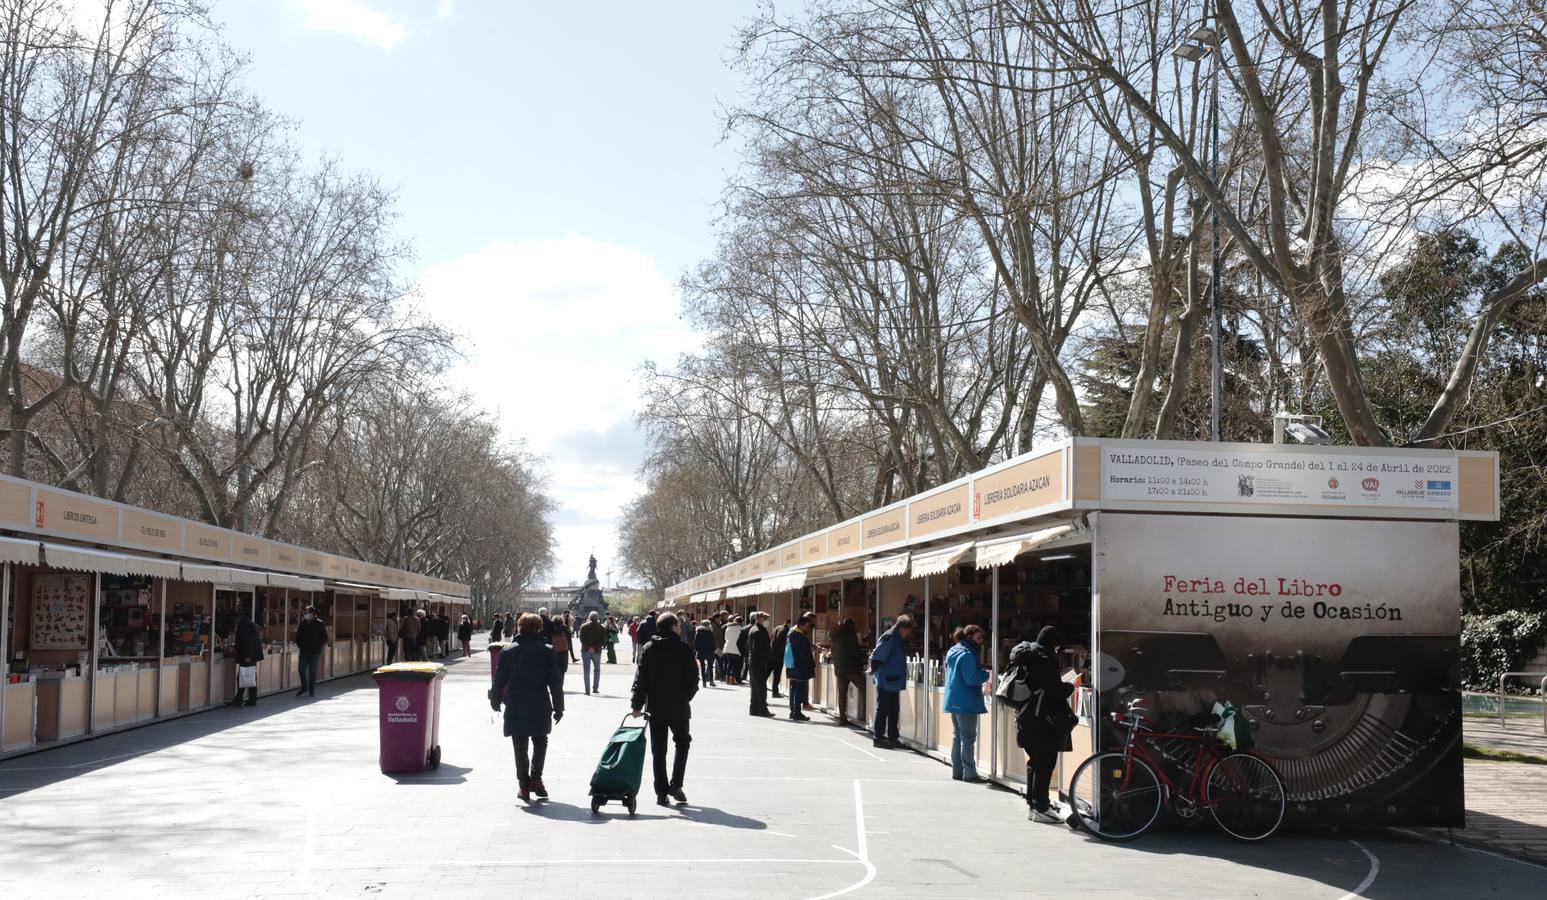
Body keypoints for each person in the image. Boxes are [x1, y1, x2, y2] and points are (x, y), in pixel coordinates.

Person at [491, 613, 565, 803]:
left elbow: (499, 680)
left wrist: (495, 701)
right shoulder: (547, 651)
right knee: (540, 741)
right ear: (539, 628)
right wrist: (559, 707)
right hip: (539, 702)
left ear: (519, 627)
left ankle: (523, 786)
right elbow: (555, 683)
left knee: (520, 745)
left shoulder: (508, 651)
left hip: (516, 702)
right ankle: (537, 778)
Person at [629, 612, 699, 806]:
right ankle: (676, 784)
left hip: (656, 707)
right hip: (678, 706)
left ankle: (661, 791)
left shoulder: (649, 648)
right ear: (674, 627)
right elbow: (694, 679)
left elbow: (640, 679)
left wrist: (637, 704)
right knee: (682, 742)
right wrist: (686, 696)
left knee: (658, 750)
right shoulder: (684, 649)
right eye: (678, 625)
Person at [1013, 626, 1075, 823]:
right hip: (1041, 719)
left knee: (1035, 762)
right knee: (1045, 763)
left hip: (1027, 717)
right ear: (1052, 645)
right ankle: (1041, 806)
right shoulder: (1044, 660)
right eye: (1057, 647)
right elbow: (1056, 690)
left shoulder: (1029, 656)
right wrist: (1071, 686)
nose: (1057, 651)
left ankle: (1033, 806)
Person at [944, 625, 991, 783]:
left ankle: (957, 771)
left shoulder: (953, 651)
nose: (981, 641)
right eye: (979, 638)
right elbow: (971, 678)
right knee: (968, 737)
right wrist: (986, 674)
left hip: (954, 699)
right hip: (966, 701)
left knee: (958, 736)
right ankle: (969, 772)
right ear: (970, 637)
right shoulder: (968, 655)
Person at [870, 615, 912, 748]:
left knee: (894, 710)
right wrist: (872, 669)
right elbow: (877, 655)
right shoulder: (890, 637)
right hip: (886, 679)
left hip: (893, 680)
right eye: (907, 631)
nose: (908, 634)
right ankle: (878, 738)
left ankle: (893, 737)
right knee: (883, 709)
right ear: (902, 628)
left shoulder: (897, 638)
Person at [828, 618, 865, 727]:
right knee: (865, 688)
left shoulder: (834, 635)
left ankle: (842, 718)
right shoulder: (850, 634)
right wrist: (863, 655)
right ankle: (866, 715)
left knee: (842, 694)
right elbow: (855, 651)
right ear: (851, 626)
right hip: (851, 667)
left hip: (839, 668)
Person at [785, 614, 815, 721]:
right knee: (799, 690)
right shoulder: (800, 636)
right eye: (807, 626)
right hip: (800, 667)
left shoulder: (791, 633)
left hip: (792, 666)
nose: (809, 628)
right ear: (801, 625)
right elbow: (804, 655)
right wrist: (812, 664)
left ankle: (793, 711)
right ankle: (796, 712)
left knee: (794, 689)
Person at [229, 612, 263, 707]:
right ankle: (247, 699)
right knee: (248, 676)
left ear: (238, 618)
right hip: (251, 655)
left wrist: (247, 655)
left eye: (235, 619)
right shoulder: (249, 624)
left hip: (248, 656)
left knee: (243, 676)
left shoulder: (244, 625)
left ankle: (241, 699)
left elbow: (248, 641)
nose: (235, 621)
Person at [294, 606, 328, 697]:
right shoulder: (303, 623)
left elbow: (324, 637)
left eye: (307, 612)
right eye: (305, 612)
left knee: (312, 671)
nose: (306, 614)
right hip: (304, 651)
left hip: (315, 651)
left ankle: (311, 689)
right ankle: (304, 687)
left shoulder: (319, 623)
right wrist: (299, 644)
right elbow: (298, 636)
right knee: (301, 668)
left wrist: (318, 645)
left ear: (313, 613)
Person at [746, 611, 774, 717]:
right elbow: (757, 649)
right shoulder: (758, 630)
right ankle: (762, 709)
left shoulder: (754, 629)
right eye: (764, 618)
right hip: (758, 662)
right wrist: (765, 658)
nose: (767, 620)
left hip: (754, 661)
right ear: (758, 619)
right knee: (761, 687)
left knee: (755, 686)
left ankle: (754, 709)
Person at [579, 611, 609, 695]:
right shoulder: (602, 627)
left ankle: (587, 689)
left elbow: (582, 639)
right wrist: (595, 647)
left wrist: (588, 647)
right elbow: (604, 640)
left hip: (585, 650)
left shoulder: (583, 626)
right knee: (597, 670)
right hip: (597, 651)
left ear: (589, 617)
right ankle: (595, 688)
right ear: (598, 618)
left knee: (586, 670)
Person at [693, 619, 717, 687]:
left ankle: (704, 682)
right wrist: (713, 650)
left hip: (701, 651)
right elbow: (713, 643)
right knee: (710, 667)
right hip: (709, 651)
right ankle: (711, 681)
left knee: (703, 667)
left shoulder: (698, 631)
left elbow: (695, 642)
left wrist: (697, 649)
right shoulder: (710, 632)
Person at [770, 619, 790, 698]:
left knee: (766, 673)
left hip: (771, 654)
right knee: (777, 675)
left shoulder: (777, 627)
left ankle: (759, 689)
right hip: (779, 656)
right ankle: (775, 692)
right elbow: (782, 644)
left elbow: (772, 637)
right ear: (788, 623)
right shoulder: (785, 631)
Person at [721, 616, 743, 686]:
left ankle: (727, 679)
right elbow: (740, 639)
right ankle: (732, 680)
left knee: (729, 663)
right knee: (734, 664)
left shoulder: (728, 627)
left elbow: (725, 637)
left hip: (727, 647)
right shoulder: (739, 628)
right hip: (735, 647)